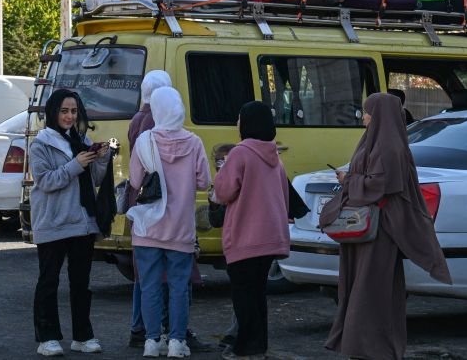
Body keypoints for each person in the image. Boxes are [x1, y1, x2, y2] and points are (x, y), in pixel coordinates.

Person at [319, 93, 452, 360]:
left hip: (380, 232)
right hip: (364, 231)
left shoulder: (390, 147)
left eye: (367, 111)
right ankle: (360, 346)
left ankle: (372, 349)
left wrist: (349, 180)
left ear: (380, 114)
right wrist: (351, 178)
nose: (363, 116)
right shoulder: (374, 141)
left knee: (371, 291)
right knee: (360, 288)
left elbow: (379, 187)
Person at [125, 71, 210, 353]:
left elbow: (135, 182)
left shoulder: (145, 141)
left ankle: (151, 341)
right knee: (178, 287)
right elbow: (203, 182)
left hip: (148, 226)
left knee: (149, 286)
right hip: (181, 227)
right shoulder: (194, 142)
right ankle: (176, 341)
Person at [30, 89, 111, 357]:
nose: (69, 116)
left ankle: (83, 336)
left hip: (82, 223)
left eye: (74, 111)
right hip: (53, 222)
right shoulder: (40, 144)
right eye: (64, 111)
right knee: (48, 281)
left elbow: (94, 181)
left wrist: (101, 157)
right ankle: (47, 337)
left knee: (81, 282)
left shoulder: (81, 139)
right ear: (53, 112)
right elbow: (46, 181)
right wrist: (76, 164)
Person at [213, 101, 290, 360]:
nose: (237, 124)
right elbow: (284, 195)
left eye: (239, 119)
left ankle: (245, 348)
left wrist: (220, 172)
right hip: (271, 237)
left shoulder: (240, 153)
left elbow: (223, 192)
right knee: (258, 295)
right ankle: (259, 346)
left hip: (245, 236)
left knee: (243, 296)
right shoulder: (275, 156)